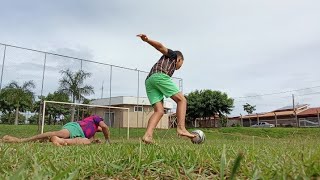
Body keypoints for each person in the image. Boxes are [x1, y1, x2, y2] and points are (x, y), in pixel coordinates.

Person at [137, 34, 196, 144]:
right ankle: (181, 128)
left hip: (149, 81)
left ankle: (148, 135)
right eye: (181, 64)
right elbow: (160, 47)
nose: (179, 67)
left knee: (159, 111)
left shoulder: (169, 66)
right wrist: (147, 40)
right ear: (179, 59)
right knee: (182, 100)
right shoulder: (173, 55)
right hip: (159, 76)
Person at [2, 115, 110, 146]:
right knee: (59, 133)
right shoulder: (95, 118)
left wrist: (95, 140)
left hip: (80, 135)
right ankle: (21, 140)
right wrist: (107, 140)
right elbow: (105, 128)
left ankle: (60, 141)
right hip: (75, 127)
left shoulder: (94, 129)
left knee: (87, 141)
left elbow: (95, 134)